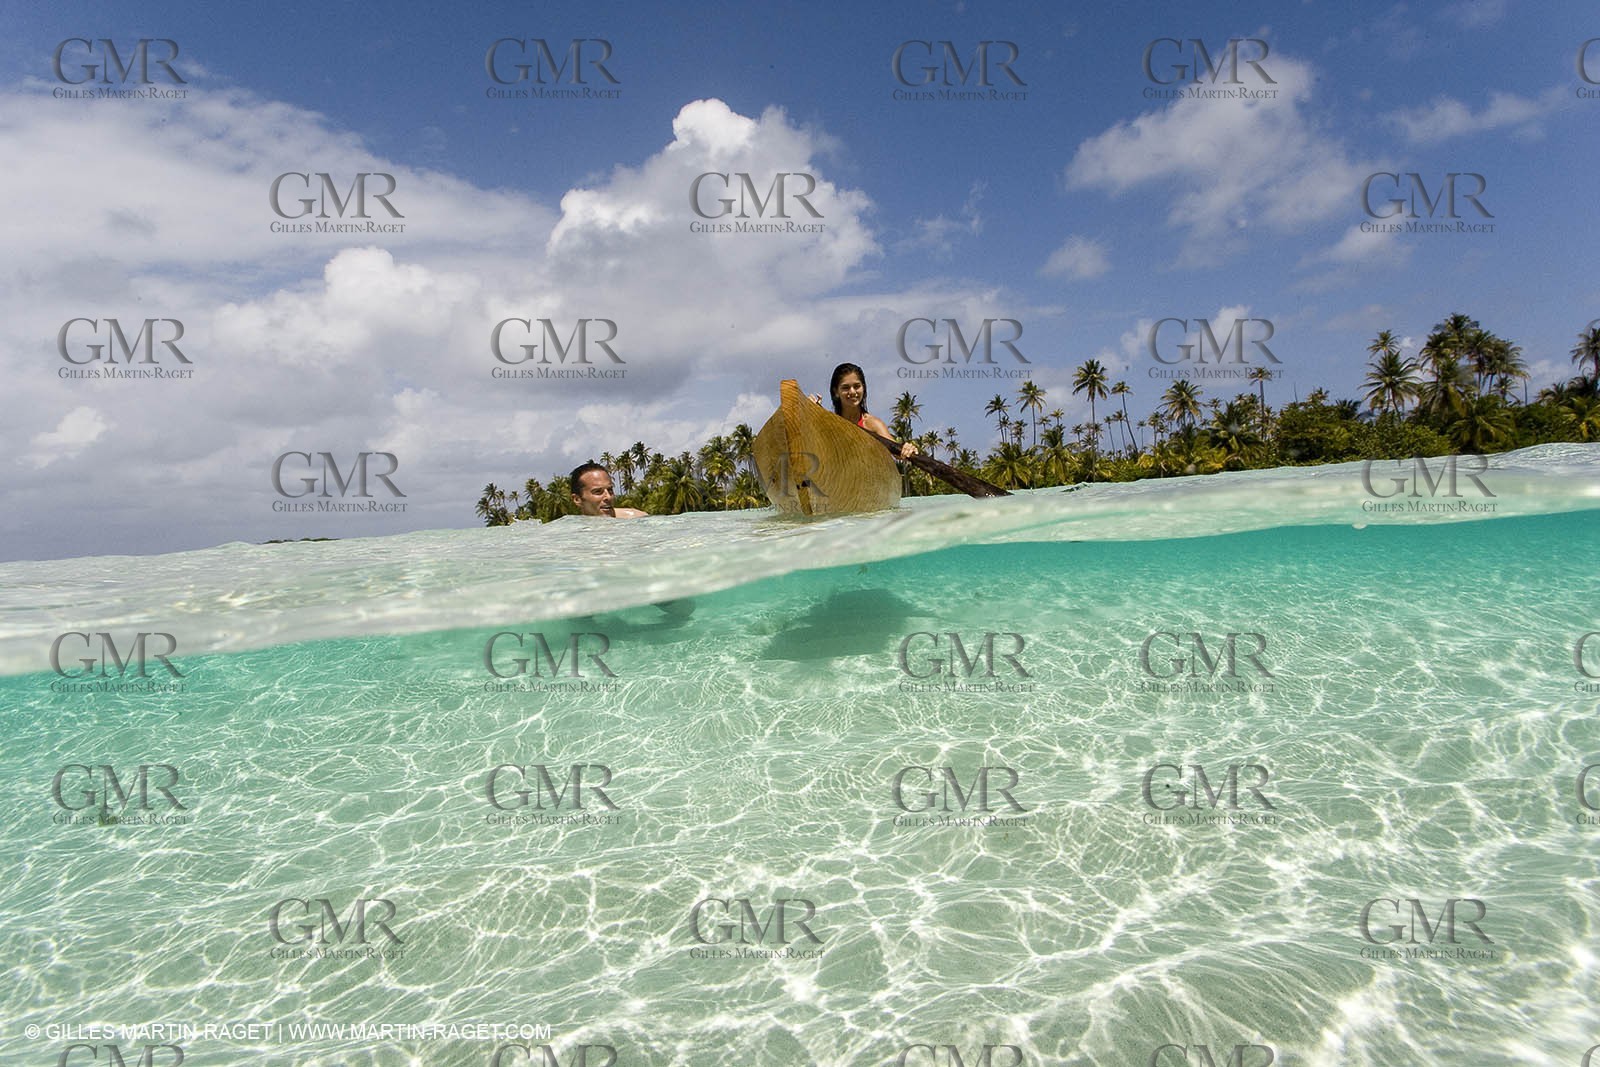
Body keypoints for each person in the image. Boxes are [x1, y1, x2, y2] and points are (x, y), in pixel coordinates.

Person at [810, 362, 919, 460]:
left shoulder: (872, 425)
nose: (852, 392)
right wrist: (812, 413)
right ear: (836, 392)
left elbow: (895, 451)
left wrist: (907, 449)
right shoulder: (830, 424)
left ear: (863, 388)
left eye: (857, 386)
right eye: (845, 388)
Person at [569, 462, 647, 518]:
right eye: (598, 492)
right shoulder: (569, 531)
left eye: (610, 490)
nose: (608, 497)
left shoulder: (636, 518)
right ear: (577, 499)